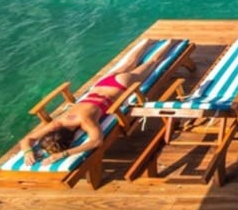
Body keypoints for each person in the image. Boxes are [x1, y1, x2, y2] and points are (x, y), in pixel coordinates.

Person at [18, 40, 170, 166]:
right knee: (131, 61)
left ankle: (171, 44)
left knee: (153, 62)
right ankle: (148, 42)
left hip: (120, 86)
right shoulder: (57, 123)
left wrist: (62, 154)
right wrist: (27, 151)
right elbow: (26, 140)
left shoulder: (86, 122)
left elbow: (96, 141)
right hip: (101, 85)